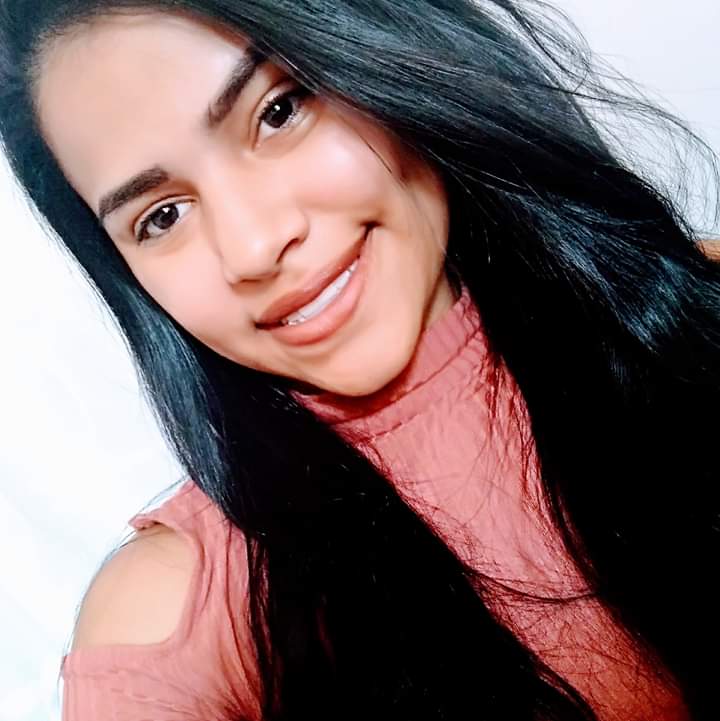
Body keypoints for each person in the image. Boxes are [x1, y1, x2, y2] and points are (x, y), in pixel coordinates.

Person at [1, 1, 719, 719]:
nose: (254, 247)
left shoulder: (696, 314)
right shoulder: (170, 617)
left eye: (278, 112)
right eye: (162, 217)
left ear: (387, 53)